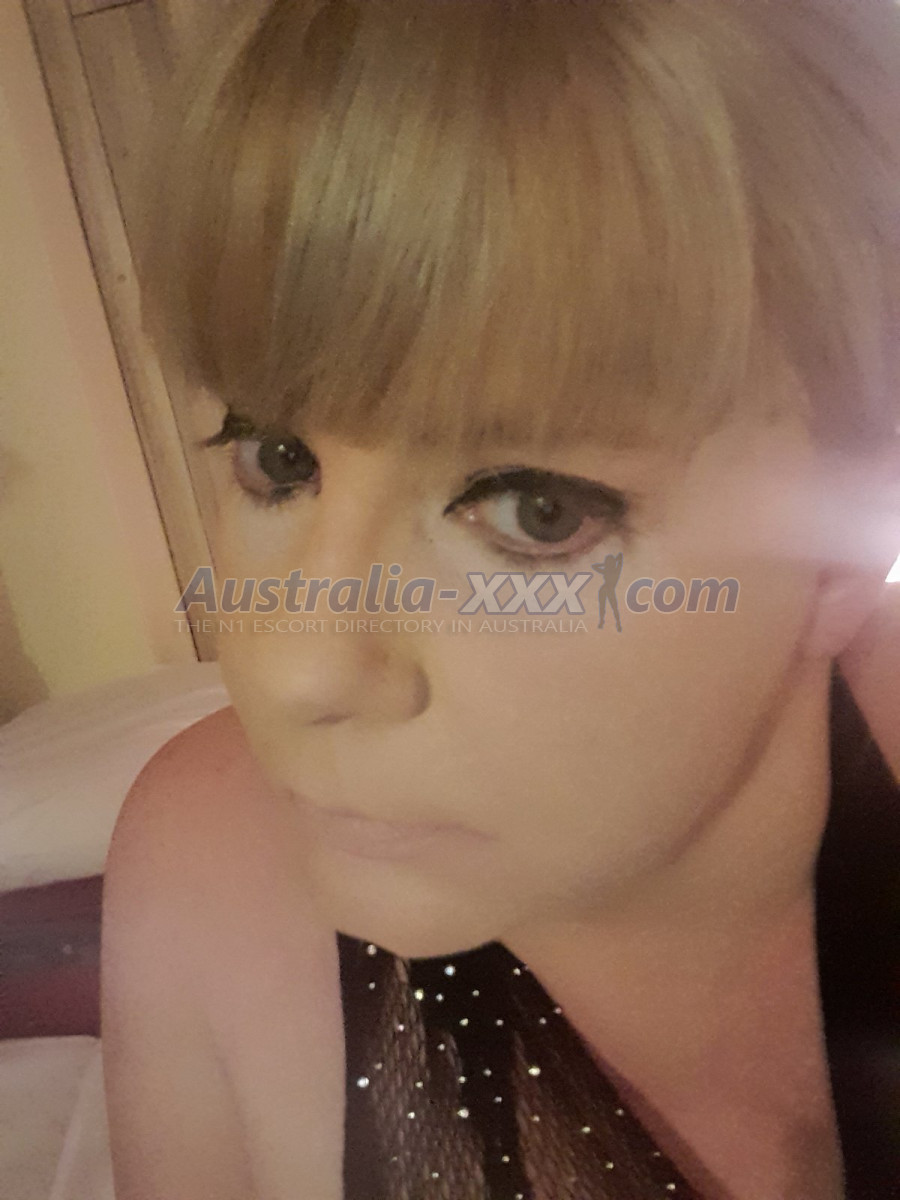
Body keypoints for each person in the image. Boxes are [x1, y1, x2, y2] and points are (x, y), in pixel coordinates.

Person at [100, 2, 900, 1198]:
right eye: (277, 459)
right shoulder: (206, 875)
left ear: (846, 534)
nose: (293, 668)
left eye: (537, 510)